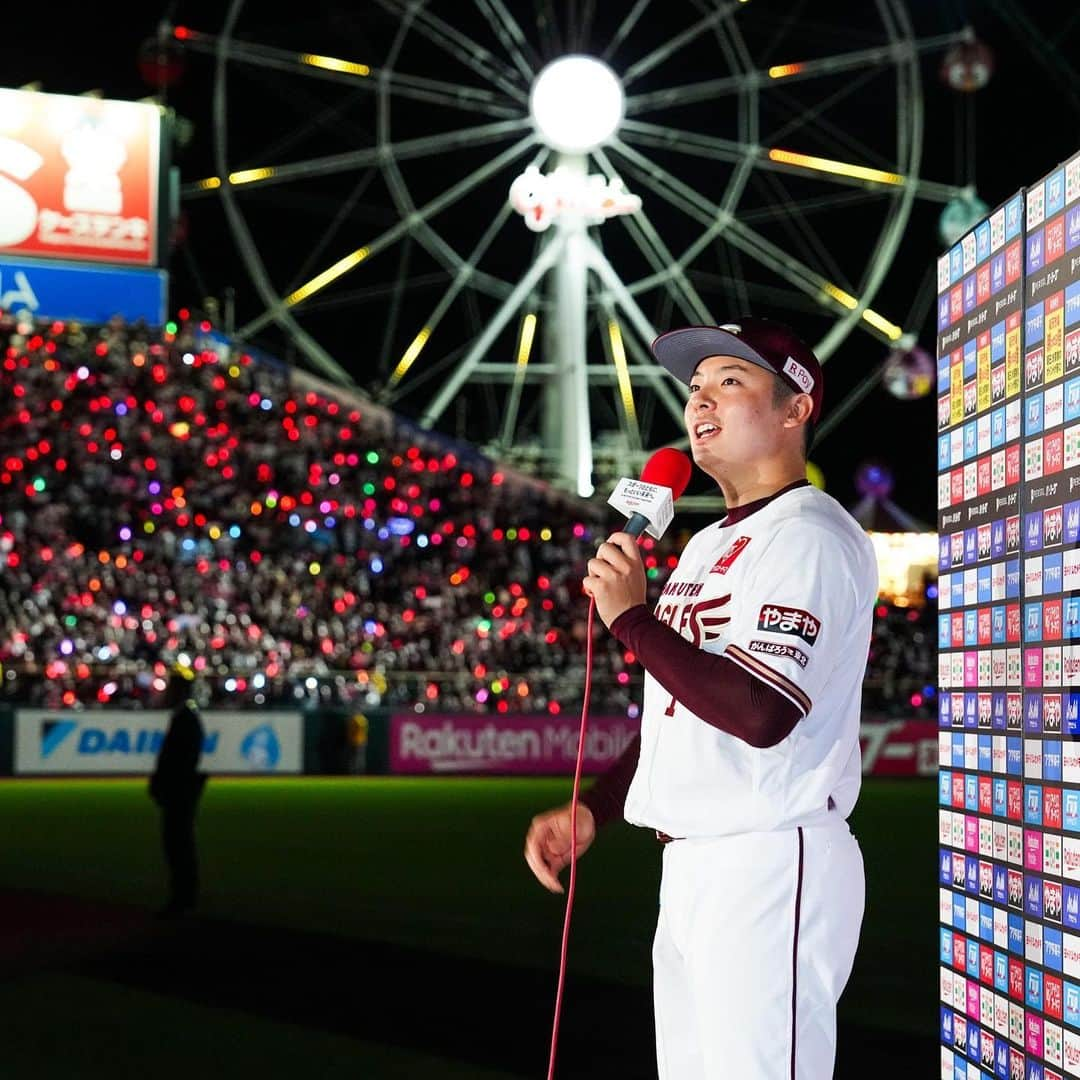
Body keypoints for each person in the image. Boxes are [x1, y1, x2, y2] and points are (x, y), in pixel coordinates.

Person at [524, 319, 878, 1078]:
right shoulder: (702, 544)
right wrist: (598, 805)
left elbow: (760, 713)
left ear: (795, 409)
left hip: (767, 859)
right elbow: (679, 717)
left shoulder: (810, 534)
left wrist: (631, 618)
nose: (700, 401)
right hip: (693, 866)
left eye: (730, 381)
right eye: (694, 387)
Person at [149, 664, 207, 915]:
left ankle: (183, 898)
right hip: (181, 788)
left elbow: (178, 758)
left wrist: (165, 782)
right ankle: (183, 896)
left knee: (178, 843)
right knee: (178, 843)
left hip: (180, 790)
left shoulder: (185, 718)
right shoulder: (185, 716)